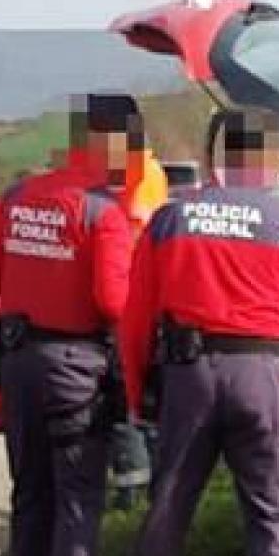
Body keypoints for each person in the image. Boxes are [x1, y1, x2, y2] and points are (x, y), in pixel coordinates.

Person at [115, 108, 279, 556]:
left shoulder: (169, 219)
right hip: (263, 376)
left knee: (167, 512)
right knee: (271, 518)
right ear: (274, 161)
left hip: (190, 375)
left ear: (212, 156)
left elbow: (135, 319)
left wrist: (138, 396)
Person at [0, 94, 136, 556]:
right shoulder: (102, 212)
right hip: (75, 367)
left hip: (18, 363)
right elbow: (113, 300)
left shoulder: (14, 197)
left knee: (30, 489)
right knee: (77, 496)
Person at [108, 146, 170, 511]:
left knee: (125, 397)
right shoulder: (151, 170)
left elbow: (128, 228)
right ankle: (153, 486)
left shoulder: (133, 174)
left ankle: (134, 490)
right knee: (145, 394)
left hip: (128, 297)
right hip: (147, 297)